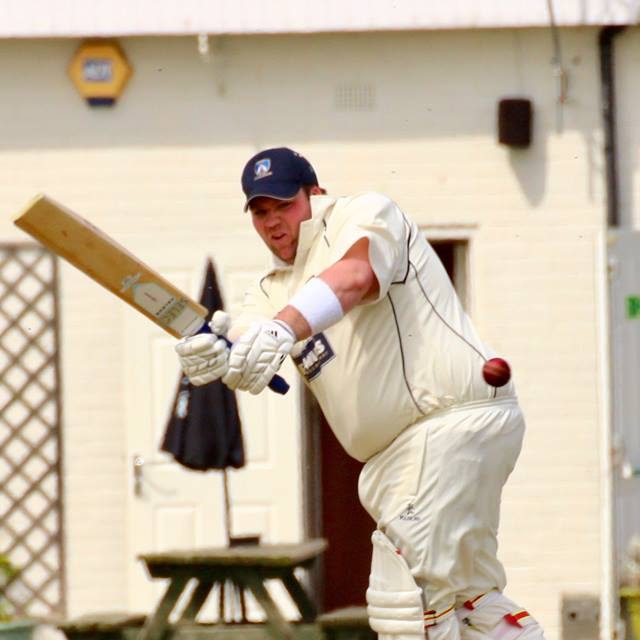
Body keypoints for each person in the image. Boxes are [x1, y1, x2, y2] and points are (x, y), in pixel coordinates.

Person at [175, 147, 546, 640]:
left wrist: (282, 330)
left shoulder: (363, 214)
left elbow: (354, 277)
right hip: (400, 457)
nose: (273, 222)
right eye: (261, 212)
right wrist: (219, 358)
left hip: (448, 425)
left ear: (315, 194)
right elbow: (248, 338)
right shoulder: (270, 289)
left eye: (284, 205)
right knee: (473, 601)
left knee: (408, 601)